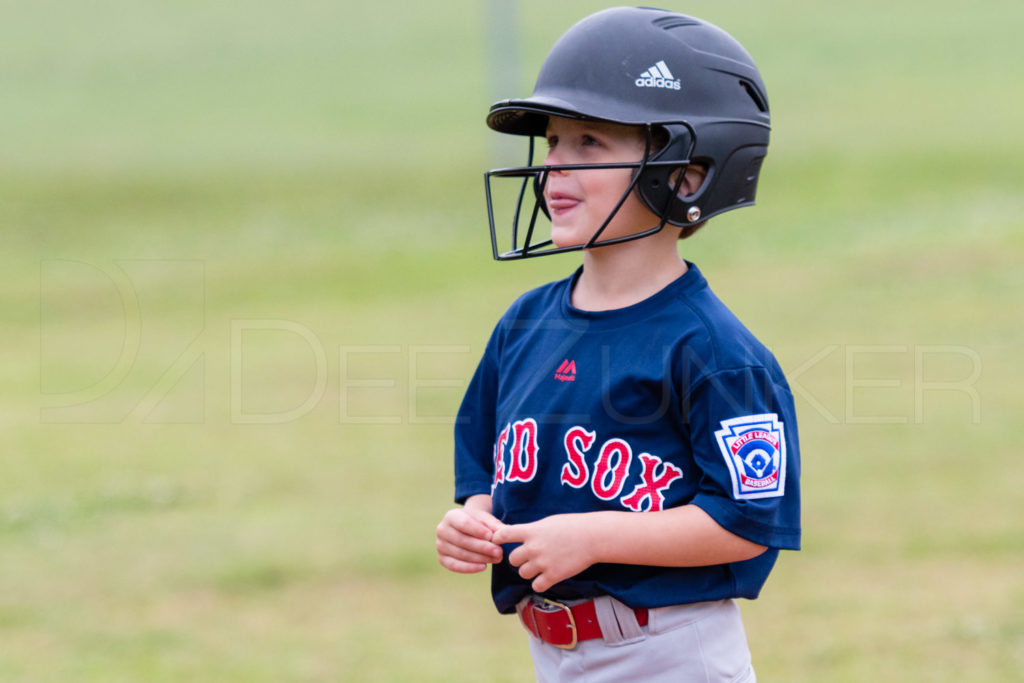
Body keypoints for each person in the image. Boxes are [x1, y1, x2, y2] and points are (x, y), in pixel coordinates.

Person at [435, 7, 800, 681]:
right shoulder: (525, 324)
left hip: (671, 653)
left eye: (589, 144)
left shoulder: (713, 349)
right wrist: (472, 517)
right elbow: (484, 476)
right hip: (554, 654)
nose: (553, 170)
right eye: (552, 143)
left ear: (685, 175)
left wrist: (593, 535)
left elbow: (746, 520)